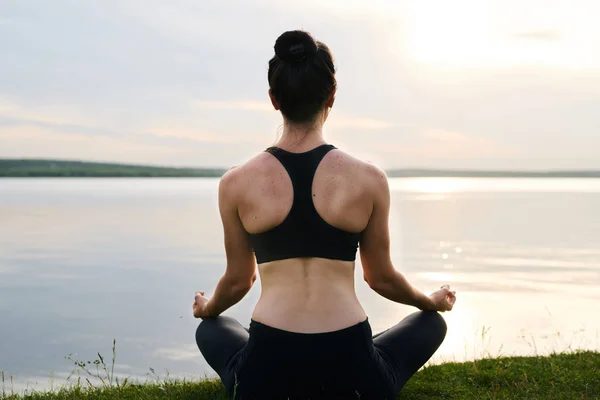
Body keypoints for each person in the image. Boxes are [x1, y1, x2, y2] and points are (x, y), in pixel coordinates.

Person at [193, 30, 456, 400]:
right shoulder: (369, 179)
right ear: (332, 96)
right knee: (431, 325)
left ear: (273, 100)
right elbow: (380, 277)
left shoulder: (235, 183)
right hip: (351, 367)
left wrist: (207, 307)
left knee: (210, 328)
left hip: (269, 365)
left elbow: (239, 282)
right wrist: (429, 301)